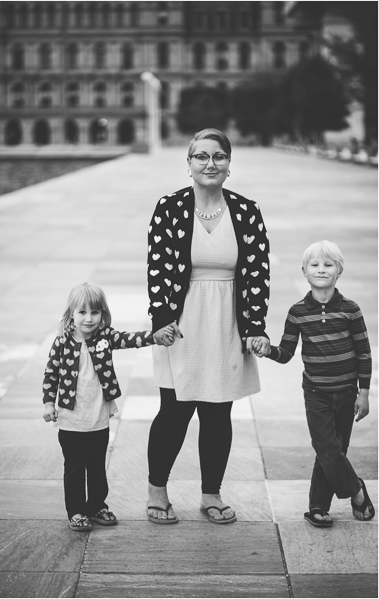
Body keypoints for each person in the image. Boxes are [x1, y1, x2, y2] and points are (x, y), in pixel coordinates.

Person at [145, 128, 271, 524]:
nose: (210, 163)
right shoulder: (169, 207)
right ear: (189, 164)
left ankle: (211, 494)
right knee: (174, 410)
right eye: (201, 156)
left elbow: (258, 272)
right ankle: (157, 490)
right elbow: (156, 268)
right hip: (181, 322)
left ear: (229, 164)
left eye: (218, 156)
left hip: (227, 321)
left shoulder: (246, 211)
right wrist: (161, 320)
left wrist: (255, 326)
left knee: (218, 412)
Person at [254, 240, 373, 527]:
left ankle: (318, 506)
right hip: (316, 393)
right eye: (315, 265)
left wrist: (364, 393)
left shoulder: (350, 309)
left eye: (328, 265)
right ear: (304, 271)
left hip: (347, 392)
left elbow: (364, 353)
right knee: (326, 447)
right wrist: (267, 349)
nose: (321, 269)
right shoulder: (298, 312)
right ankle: (356, 490)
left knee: (334, 451)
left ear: (339, 271)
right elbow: (286, 353)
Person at [42, 282, 177, 531]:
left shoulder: (105, 336)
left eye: (95, 312)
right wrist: (49, 403)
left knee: (97, 467)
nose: (89, 318)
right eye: (82, 312)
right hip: (71, 421)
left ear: (102, 314)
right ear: (71, 314)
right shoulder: (62, 342)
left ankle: (96, 507)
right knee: (74, 469)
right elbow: (51, 374)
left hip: (98, 418)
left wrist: (154, 336)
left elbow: (129, 339)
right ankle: (76, 512)